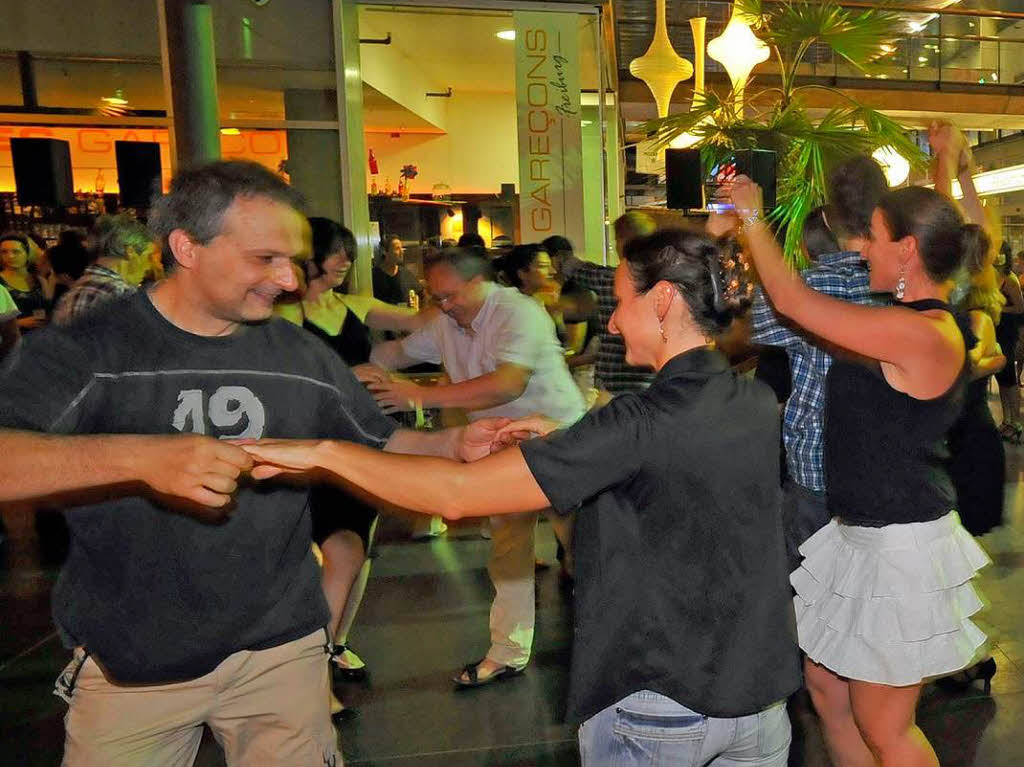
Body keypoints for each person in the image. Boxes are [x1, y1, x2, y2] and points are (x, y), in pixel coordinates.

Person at [0, 160, 502, 766]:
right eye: (265, 259)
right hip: (134, 660)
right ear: (187, 247)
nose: (289, 280)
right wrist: (141, 457)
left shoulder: (299, 354)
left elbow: (377, 442)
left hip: (281, 647)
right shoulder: (88, 350)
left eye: (293, 261)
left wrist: (454, 445)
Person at [241, 228, 802, 767]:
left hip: (664, 699)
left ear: (661, 301)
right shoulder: (748, 401)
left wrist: (326, 453)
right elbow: (669, 469)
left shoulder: (639, 422)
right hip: (757, 693)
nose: (610, 319)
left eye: (623, 302)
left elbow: (457, 496)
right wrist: (566, 441)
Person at [731, 175, 990, 767]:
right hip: (858, 534)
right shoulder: (908, 319)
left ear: (905, 249)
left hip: (897, 546)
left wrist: (751, 216)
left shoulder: (920, 331)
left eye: (872, 237)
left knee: (885, 726)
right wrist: (948, 168)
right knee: (826, 690)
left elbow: (794, 304)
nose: (859, 247)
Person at [361, 247, 586, 686]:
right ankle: (508, 652)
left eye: (450, 296)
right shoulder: (445, 321)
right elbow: (394, 356)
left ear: (478, 282)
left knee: (585, 547)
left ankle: (605, 643)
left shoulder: (518, 312)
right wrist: (336, 374)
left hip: (560, 440)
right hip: (502, 446)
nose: (443, 306)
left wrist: (420, 396)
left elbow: (508, 383)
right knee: (507, 552)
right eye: (436, 298)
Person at [276, 216, 426, 698]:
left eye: (348, 253)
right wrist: (352, 375)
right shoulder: (280, 316)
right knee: (338, 552)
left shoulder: (355, 306)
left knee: (352, 551)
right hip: (303, 449)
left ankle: (329, 650)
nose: (344, 260)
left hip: (357, 446)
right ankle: (310, 672)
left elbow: (423, 322)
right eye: (336, 251)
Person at [746, 156, 888, 571]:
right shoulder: (902, 289)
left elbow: (753, 323)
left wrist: (750, 223)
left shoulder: (809, 287)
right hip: (884, 468)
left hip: (815, 466)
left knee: (806, 593)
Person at [558, 212, 657, 398]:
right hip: (651, 381)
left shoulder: (607, 278)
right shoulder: (664, 283)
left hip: (612, 382)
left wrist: (560, 258)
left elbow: (574, 268)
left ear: (622, 240)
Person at [53, 213, 157, 325]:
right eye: (149, 257)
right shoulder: (122, 296)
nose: (149, 266)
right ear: (130, 252)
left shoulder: (70, 296)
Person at [0, 231, 54, 330]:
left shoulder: (39, 280)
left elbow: (47, 309)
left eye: (16, 251)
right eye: (4, 252)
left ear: (28, 253)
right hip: (11, 340)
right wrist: (19, 323)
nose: (10, 256)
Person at [372, 234, 421, 306]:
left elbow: (421, 292)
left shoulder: (405, 273)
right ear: (385, 252)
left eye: (402, 248)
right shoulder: (374, 275)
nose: (402, 252)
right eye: (397, 248)